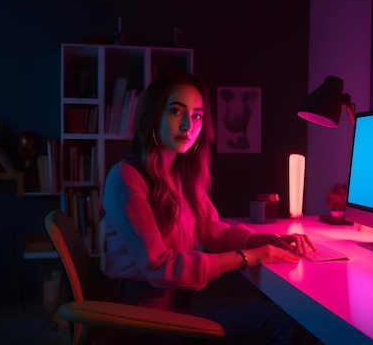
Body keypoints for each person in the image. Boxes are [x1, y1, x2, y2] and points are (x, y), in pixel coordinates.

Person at [100, 71, 316, 344]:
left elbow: (215, 232)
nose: (187, 125)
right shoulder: (126, 177)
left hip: (172, 306)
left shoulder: (178, 176)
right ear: (153, 115)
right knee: (286, 321)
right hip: (141, 319)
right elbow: (160, 267)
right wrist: (252, 256)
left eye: (196, 115)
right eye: (176, 111)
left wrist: (271, 240)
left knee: (285, 316)